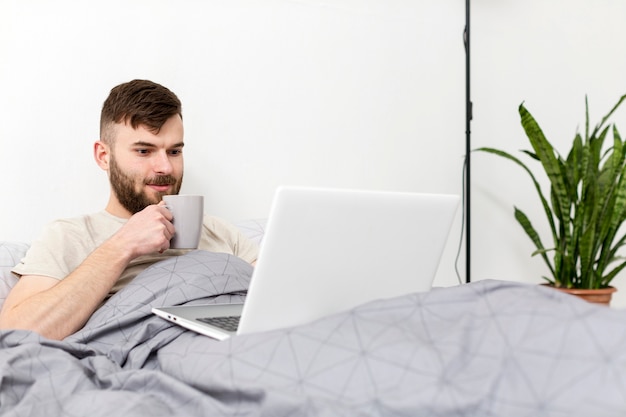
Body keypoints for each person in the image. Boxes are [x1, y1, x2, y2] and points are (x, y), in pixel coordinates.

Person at [0, 79, 258, 340]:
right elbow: (14, 333)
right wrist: (122, 246)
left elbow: (283, 302)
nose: (165, 167)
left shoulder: (221, 232)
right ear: (104, 156)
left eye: (174, 151)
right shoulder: (70, 235)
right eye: (144, 151)